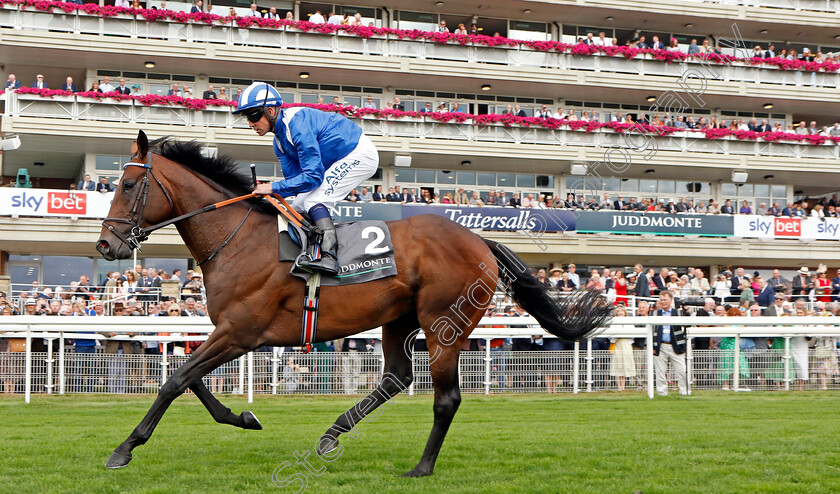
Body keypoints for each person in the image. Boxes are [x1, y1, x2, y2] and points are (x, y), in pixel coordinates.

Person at [241, 82, 379, 275]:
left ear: (270, 110)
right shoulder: (278, 143)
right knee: (295, 208)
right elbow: (298, 182)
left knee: (316, 200)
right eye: (247, 117)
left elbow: (312, 178)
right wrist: (268, 193)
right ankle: (308, 254)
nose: (250, 123)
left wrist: (271, 187)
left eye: (253, 116)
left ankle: (330, 258)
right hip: (334, 162)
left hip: (359, 153)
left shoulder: (297, 124)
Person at [652, 290, 688, 396]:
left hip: (676, 345)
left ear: (671, 300)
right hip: (660, 346)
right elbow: (651, 330)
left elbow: (687, 326)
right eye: (661, 300)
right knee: (660, 372)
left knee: (682, 371)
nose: (663, 302)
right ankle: (662, 393)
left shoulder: (678, 313)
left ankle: (684, 392)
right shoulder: (655, 313)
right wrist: (653, 346)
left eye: (665, 299)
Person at [609, 306, 636, 391]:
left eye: (622, 311)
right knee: (617, 364)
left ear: (625, 313)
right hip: (617, 344)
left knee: (625, 363)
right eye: (619, 311)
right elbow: (612, 334)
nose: (620, 313)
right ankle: (618, 386)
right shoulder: (613, 322)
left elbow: (632, 333)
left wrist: (622, 332)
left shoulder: (629, 322)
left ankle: (623, 386)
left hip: (626, 344)